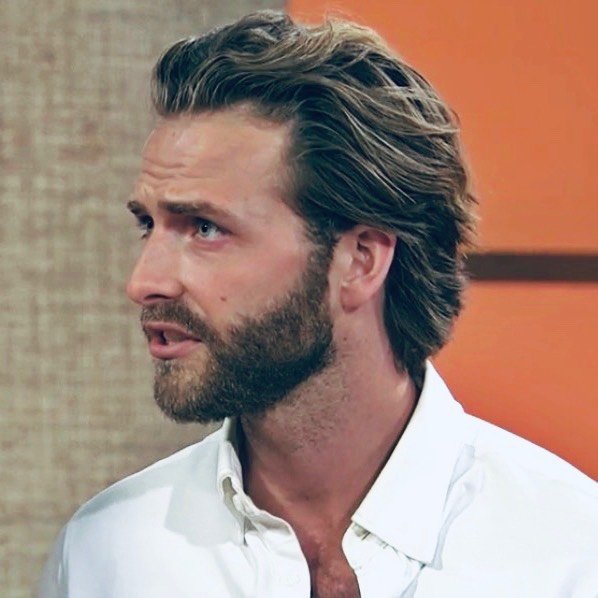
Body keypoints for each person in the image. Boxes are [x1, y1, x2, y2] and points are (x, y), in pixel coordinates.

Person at [39, 10, 597, 598]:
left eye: (204, 228)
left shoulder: (571, 556)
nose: (144, 281)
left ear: (360, 260)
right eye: (148, 225)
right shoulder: (106, 555)